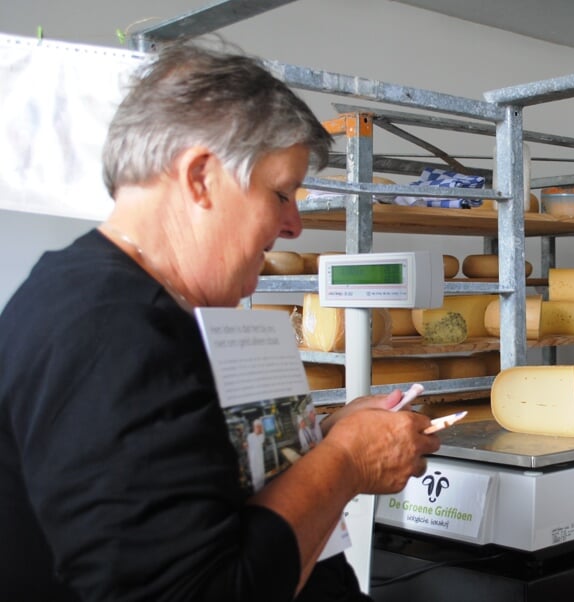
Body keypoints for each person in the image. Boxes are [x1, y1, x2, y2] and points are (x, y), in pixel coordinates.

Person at [0, 42, 439, 601]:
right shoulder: (109, 334)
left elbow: (185, 485)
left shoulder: (111, 301)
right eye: (281, 193)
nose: (294, 225)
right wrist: (347, 462)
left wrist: (318, 439)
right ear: (202, 177)